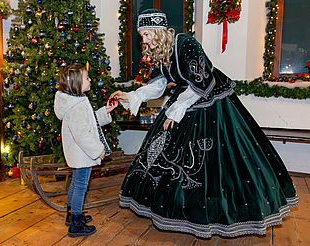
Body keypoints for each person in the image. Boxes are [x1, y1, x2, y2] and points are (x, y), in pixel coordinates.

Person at [110, 9, 298, 238]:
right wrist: (130, 96)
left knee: (216, 159)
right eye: (142, 36)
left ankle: (220, 212)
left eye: (148, 35)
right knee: (169, 151)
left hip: (210, 99)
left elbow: (201, 79)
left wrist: (176, 110)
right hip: (184, 97)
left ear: (159, 31)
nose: (145, 41)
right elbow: (158, 85)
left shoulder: (185, 43)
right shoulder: (159, 52)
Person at [54, 64, 118, 237]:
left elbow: (89, 121)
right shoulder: (77, 106)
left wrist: (105, 111)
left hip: (78, 153)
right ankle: (75, 222)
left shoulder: (77, 102)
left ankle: (71, 213)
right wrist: (98, 150)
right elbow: (82, 133)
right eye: (87, 78)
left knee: (76, 183)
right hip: (83, 154)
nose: (90, 80)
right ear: (76, 83)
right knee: (81, 185)